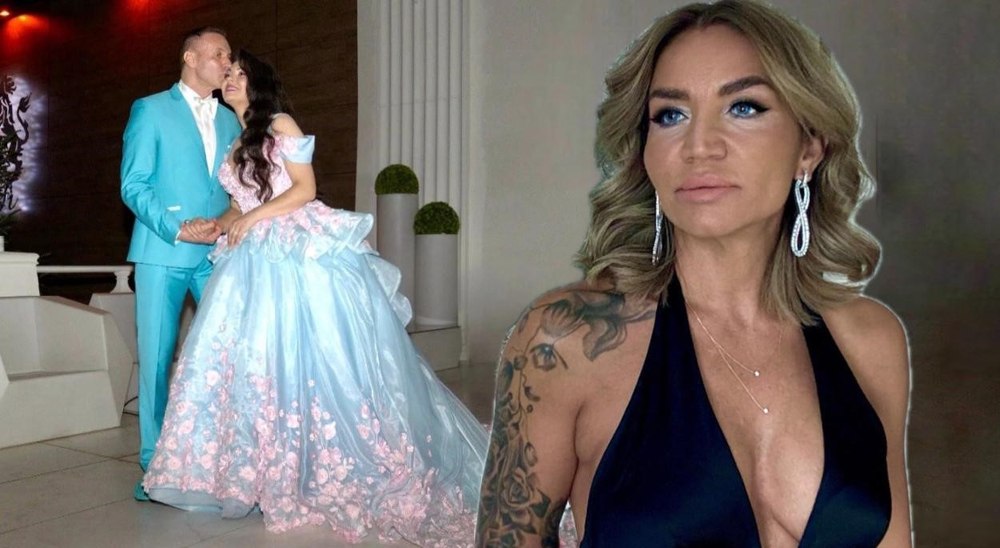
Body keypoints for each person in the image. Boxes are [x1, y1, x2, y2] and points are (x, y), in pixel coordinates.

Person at [477, 1, 911, 546]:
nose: (699, 146)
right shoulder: (569, 342)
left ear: (809, 147)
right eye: (670, 116)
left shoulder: (871, 341)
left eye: (744, 107)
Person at [141, 49, 487, 546]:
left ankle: (331, 460)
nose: (231, 79)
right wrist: (214, 226)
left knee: (316, 356)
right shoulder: (235, 142)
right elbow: (238, 206)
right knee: (257, 362)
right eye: (228, 74)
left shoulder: (279, 123)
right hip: (250, 261)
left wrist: (253, 218)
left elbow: (304, 188)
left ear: (259, 83)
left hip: (298, 251)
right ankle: (262, 467)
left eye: (240, 73)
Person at [120, 26, 242, 501]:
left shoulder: (231, 120)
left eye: (229, 55)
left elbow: (236, 189)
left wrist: (224, 221)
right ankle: (154, 467)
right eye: (219, 54)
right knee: (155, 362)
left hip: (217, 254)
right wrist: (175, 227)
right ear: (190, 57)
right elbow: (134, 184)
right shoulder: (150, 109)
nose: (227, 62)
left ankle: (220, 457)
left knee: (228, 355)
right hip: (162, 251)